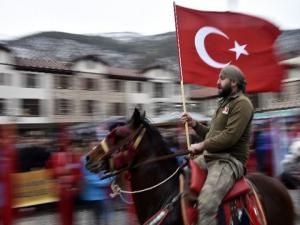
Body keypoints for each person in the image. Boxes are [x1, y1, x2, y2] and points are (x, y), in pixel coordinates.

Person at [181, 65, 254, 225]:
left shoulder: (243, 104)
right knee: (180, 173)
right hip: (211, 157)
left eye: (221, 78)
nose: (217, 82)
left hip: (228, 161)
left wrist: (201, 146)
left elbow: (229, 137)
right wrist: (194, 124)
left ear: (233, 82)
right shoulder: (223, 104)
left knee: (206, 203)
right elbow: (211, 134)